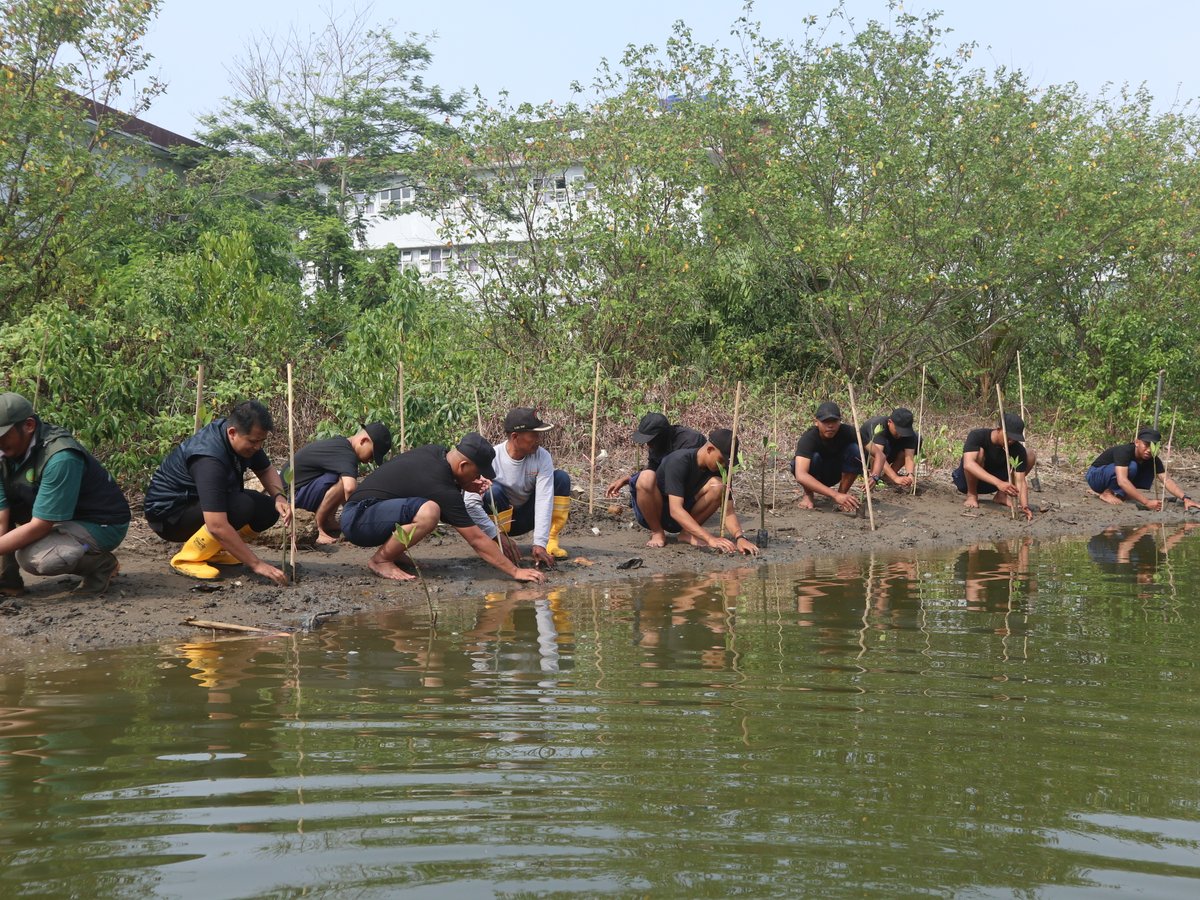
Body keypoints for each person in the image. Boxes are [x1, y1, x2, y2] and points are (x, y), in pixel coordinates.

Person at [339, 432, 545, 584]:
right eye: (476, 473)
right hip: (358, 518)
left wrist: (463, 484)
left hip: (371, 510)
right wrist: (514, 571)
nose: (478, 478)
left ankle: (394, 552)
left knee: (426, 507)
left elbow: (415, 485)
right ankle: (381, 560)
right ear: (463, 466)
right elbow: (476, 539)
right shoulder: (441, 487)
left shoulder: (436, 453)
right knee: (429, 512)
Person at [144, 400, 293, 584]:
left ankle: (215, 550)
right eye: (254, 442)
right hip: (169, 516)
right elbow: (216, 525)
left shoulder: (242, 438)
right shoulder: (209, 458)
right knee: (241, 506)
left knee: (268, 509)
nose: (258, 447)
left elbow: (264, 469)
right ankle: (188, 558)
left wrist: (279, 497)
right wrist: (256, 564)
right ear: (232, 433)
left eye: (261, 441)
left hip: (198, 504)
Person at [0, 392, 130, 596]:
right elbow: (1, 514)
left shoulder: (60, 457)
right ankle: (8, 582)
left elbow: (39, 526)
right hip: (54, 514)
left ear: (29, 426)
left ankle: (101, 565)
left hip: (100, 523)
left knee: (36, 558)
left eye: (3, 435)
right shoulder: (6, 452)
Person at [465, 408, 572, 566]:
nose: (538, 440)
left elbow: (544, 499)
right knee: (492, 490)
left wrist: (539, 543)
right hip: (498, 524)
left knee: (561, 478)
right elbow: (470, 503)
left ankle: (551, 540)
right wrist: (493, 534)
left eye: (539, 435)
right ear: (515, 437)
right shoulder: (492, 458)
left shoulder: (542, 457)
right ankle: (496, 544)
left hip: (527, 517)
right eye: (534, 435)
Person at [632, 427, 760, 555]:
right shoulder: (679, 460)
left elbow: (729, 511)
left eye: (726, 463)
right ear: (710, 450)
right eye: (721, 460)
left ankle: (687, 533)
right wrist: (710, 539)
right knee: (645, 477)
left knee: (719, 486)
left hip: (683, 518)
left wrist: (740, 538)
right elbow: (675, 510)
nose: (723, 465)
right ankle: (657, 532)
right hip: (656, 512)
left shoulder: (723, 470)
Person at [289, 423, 393, 544]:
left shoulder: (341, 445)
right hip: (291, 499)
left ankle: (328, 520)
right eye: (372, 455)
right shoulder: (346, 453)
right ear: (364, 441)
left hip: (297, 492)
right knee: (344, 482)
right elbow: (349, 488)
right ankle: (317, 527)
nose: (370, 461)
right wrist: (357, 520)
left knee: (341, 477)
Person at [1086, 428, 1200, 511]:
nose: (1149, 450)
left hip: (1112, 477)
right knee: (1132, 467)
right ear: (1137, 442)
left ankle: (1121, 494)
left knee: (1144, 468)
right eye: (1146, 444)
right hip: (1095, 476)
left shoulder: (1152, 459)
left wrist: (1185, 498)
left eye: (1153, 446)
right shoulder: (1124, 451)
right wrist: (1147, 502)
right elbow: (1122, 480)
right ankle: (1106, 493)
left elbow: (1167, 480)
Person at [951, 412, 1036, 520]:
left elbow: (1020, 480)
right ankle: (972, 495)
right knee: (979, 452)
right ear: (999, 429)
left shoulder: (1016, 448)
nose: (1010, 441)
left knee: (1029, 455)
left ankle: (1001, 496)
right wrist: (998, 483)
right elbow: (968, 465)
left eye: (1014, 439)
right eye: (1009, 437)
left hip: (996, 485)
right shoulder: (977, 436)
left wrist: (1025, 506)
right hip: (967, 482)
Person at [604, 412, 705, 499]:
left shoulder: (690, 441)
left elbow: (679, 477)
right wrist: (629, 479)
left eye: (651, 440)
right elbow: (653, 468)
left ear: (662, 435)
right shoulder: (657, 444)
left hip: (690, 493)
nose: (648, 445)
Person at [792, 401, 862, 512]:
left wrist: (874, 476)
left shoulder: (849, 432)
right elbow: (800, 474)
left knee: (855, 450)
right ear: (816, 422)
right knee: (810, 459)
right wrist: (834, 495)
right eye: (825, 422)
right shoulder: (808, 438)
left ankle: (843, 494)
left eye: (834, 421)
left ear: (840, 421)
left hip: (835, 473)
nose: (830, 426)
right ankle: (808, 494)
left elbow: (877, 453)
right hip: (815, 475)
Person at [859, 408, 920, 490]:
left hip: (888, 454)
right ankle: (873, 476)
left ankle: (887, 477)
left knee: (916, 438)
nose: (900, 434)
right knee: (883, 447)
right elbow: (877, 455)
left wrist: (910, 475)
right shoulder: (879, 425)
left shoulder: (909, 433)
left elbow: (909, 456)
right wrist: (895, 478)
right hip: (865, 457)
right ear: (889, 422)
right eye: (898, 430)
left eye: (904, 432)